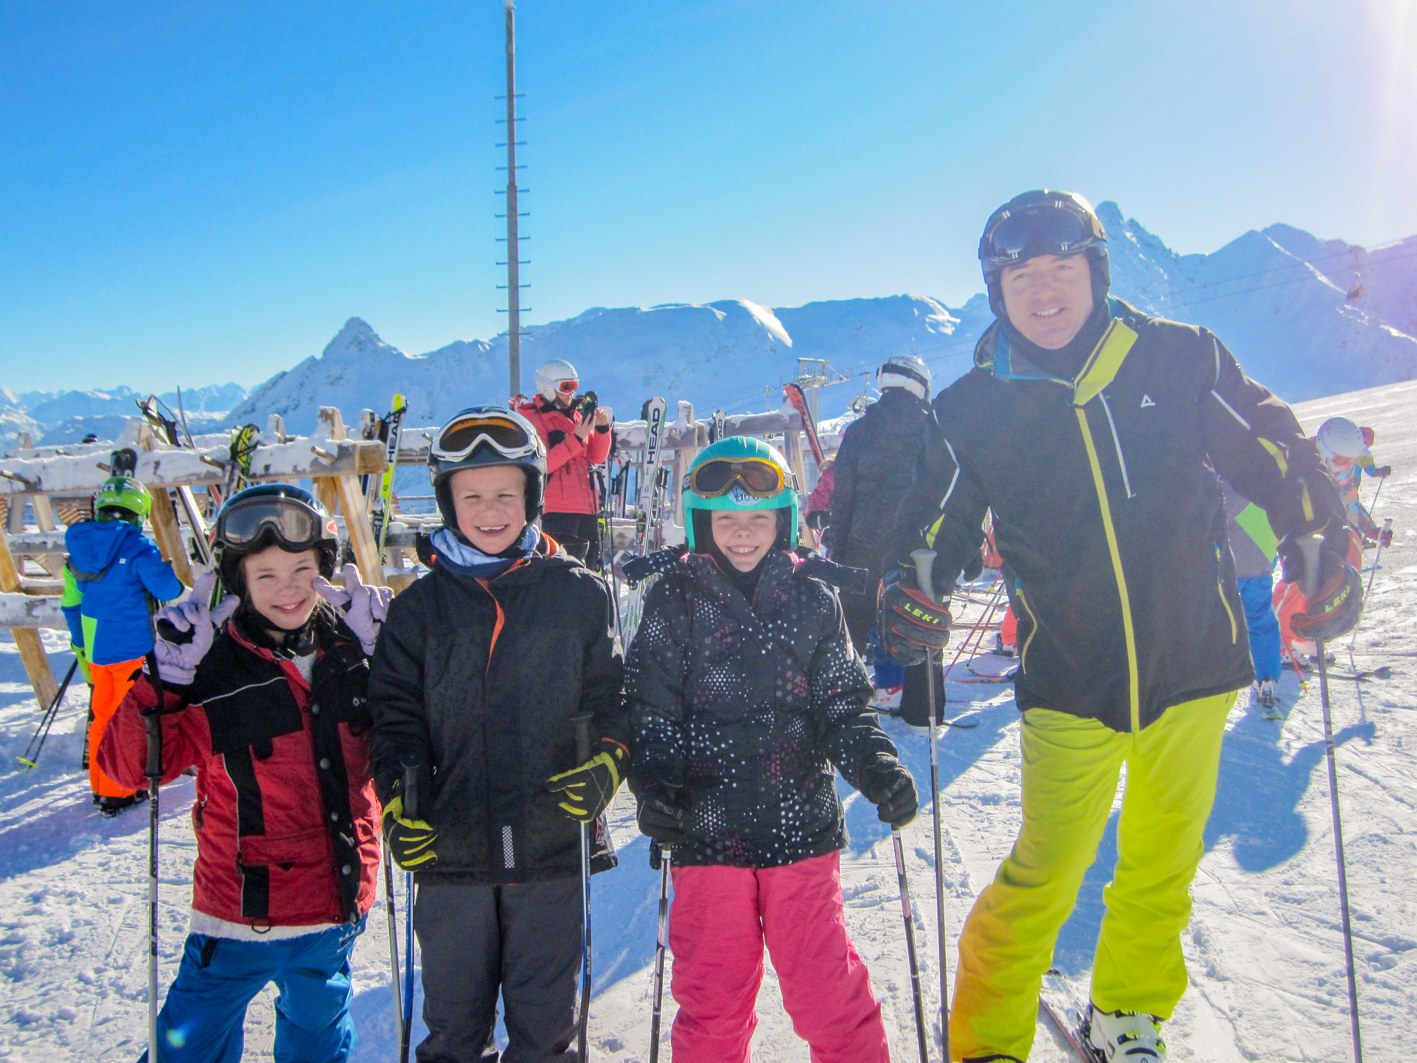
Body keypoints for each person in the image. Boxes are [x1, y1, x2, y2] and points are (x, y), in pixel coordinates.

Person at [878, 189, 1360, 1063]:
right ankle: (986, 1042)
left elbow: (1271, 444)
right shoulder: (971, 409)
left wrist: (1317, 533)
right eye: (1021, 274)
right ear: (996, 290)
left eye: (1062, 267)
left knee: (1160, 864)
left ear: (1095, 271)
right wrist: (914, 588)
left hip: (1193, 662)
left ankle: (1126, 1013)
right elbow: (934, 521)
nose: (1044, 290)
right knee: (1043, 874)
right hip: (1070, 677)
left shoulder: (1179, 359)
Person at [627, 435, 918, 1063]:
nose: (742, 533)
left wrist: (876, 766)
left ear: (782, 520)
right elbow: (652, 714)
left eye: (759, 517)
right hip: (706, 834)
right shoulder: (673, 600)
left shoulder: (814, 598)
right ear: (700, 522)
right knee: (713, 996)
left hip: (800, 830)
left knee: (825, 990)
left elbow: (842, 706)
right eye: (725, 519)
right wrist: (654, 788)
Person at [368, 405, 627, 1062]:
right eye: (472, 496)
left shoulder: (578, 593)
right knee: (455, 1030)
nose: (490, 511)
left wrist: (608, 763)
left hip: (551, 848)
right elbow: (394, 718)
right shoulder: (418, 611)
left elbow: (612, 700)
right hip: (450, 849)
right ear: (448, 503)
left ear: (532, 497)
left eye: (506, 494)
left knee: (546, 1032)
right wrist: (398, 800)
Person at [97, 483, 389, 1062]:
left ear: (324, 570)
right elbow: (130, 769)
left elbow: (414, 741)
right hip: (237, 918)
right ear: (239, 582)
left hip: (335, 907)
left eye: (302, 570)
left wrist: (391, 660)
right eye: (266, 575)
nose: (288, 589)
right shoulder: (211, 666)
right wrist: (165, 680)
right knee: (189, 1048)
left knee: (319, 1043)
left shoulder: (351, 651)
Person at [62, 474, 184, 815]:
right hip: (132, 649)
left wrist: (80, 645)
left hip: (98, 649)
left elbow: (75, 598)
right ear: (139, 512)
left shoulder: (82, 546)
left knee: (103, 717)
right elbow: (168, 589)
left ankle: (101, 785)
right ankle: (120, 790)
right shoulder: (137, 546)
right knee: (127, 720)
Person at [822, 354, 934, 711]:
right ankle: (920, 707)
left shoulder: (859, 431)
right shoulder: (932, 427)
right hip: (919, 542)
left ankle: (847, 697)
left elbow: (843, 495)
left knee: (855, 621)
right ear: (919, 385)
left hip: (863, 542)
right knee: (919, 619)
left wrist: (836, 548)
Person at [517, 358, 615, 568]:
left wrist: (601, 430)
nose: (571, 392)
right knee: (560, 568)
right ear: (548, 387)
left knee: (590, 566)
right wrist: (576, 438)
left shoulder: (576, 416)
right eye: (566, 387)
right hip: (557, 508)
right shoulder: (535, 419)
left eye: (574, 386)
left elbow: (596, 457)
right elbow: (543, 464)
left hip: (587, 507)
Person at [1220, 477, 1283, 708]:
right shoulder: (1261, 482)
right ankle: (1267, 678)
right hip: (1260, 565)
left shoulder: (1224, 485)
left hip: (1230, 568)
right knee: (1261, 620)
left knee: (1221, 621)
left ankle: (1218, 679)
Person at [1315, 415, 1392, 547]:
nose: (1345, 465)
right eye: (1341, 460)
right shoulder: (1300, 465)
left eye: (1351, 460)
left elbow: (1349, 503)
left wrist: (1371, 531)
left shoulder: (1343, 470)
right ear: (1324, 451)